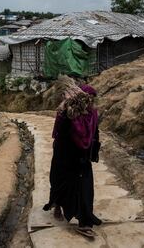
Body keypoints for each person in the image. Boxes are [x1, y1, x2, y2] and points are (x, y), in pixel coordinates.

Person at [43, 84, 101, 239]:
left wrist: (93, 152)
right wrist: (64, 111)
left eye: (92, 99)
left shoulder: (93, 113)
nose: (91, 102)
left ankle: (85, 222)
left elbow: (95, 132)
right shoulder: (68, 112)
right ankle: (57, 206)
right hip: (65, 155)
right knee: (61, 182)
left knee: (85, 188)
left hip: (82, 157)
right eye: (89, 99)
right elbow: (60, 133)